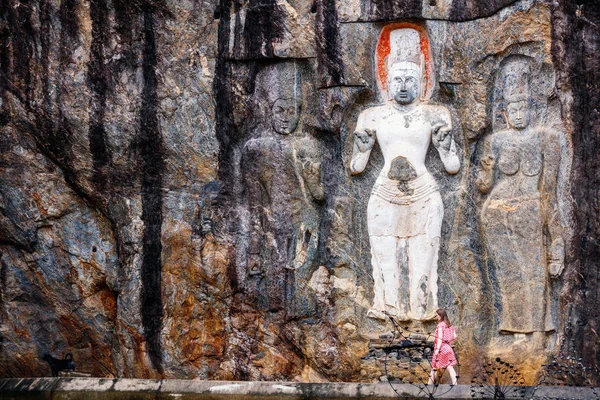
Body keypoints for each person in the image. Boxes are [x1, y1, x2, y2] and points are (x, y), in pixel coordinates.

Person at [350, 28, 460, 321]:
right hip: (385, 192)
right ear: (386, 81)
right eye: (397, 79)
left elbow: (452, 166)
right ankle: (388, 307)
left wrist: (446, 145)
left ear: (423, 80)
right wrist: (360, 149)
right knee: (384, 256)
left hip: (423, 192)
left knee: (424, 256)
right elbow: (357, 167)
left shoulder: (435, 114)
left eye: (410, 80)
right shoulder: (372, 116)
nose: (402, 86)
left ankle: (422, 309)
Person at [428, 308, 458, 385]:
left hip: (441, 348)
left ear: (440, 316)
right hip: (448, 348)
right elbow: (455, 336)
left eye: (437, 315)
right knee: (450, 367)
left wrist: (437, 349)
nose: (436, 317)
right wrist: (448, 341)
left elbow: (440, 338)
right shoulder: (449, 325)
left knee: (434, 367)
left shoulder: (440, 325)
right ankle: (455, 385)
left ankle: (428, 386)